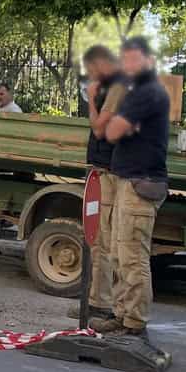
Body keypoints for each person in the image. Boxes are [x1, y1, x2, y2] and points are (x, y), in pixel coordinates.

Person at [90, 36, 169, 339]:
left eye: (133, 59)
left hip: (140, 184)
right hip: (130, 180)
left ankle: (134, 323)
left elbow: (109, 131)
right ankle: (121, 315)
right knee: (121, 255)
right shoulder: (140, 91)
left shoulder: (147, 92)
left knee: (133, 258)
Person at [83, 45, 125, 320]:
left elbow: (99, 127)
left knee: (104, 240)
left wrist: (91, 99)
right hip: (103, 169)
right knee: (98, 239)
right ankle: (98, 298)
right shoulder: (111, 87)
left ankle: (103, 303)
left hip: (109, 171)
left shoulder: (118, 88)